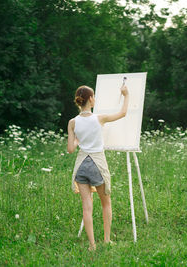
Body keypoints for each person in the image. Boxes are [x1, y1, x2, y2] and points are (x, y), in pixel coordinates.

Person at [67, 84, 129, 251]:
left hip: (81, 166)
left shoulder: (72, 122)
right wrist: (126, 94)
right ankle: (107, 240)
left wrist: (78, 140)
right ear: (91, 99)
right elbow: (123, 113)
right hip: (97, 165)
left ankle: (92, 245)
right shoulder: (99, 118)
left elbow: (71, 149)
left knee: (87, 207)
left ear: (79, 102)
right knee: (105, 203)